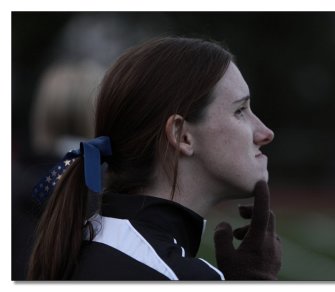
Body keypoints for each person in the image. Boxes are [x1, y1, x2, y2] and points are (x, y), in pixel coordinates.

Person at [27, 37, 282, 280]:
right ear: (181, 136)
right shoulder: (169, 274)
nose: (265, 133)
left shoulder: (90, 239)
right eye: (240, 110)